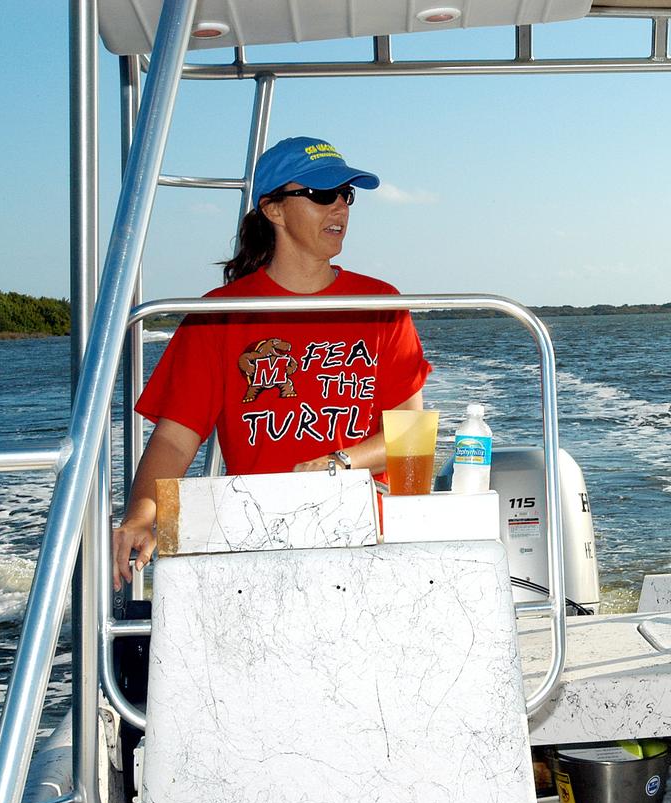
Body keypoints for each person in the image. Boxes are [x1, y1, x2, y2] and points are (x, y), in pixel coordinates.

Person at [112, 136, 432, 590]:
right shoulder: (218, 316)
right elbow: (174, 439)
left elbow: (412, 435)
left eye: (347, 195)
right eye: (322, 195)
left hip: (369, 535)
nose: (339, 207)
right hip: (261, 540)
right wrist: (141, 517)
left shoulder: (380, 303)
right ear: (274, 209)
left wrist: (334, 464)